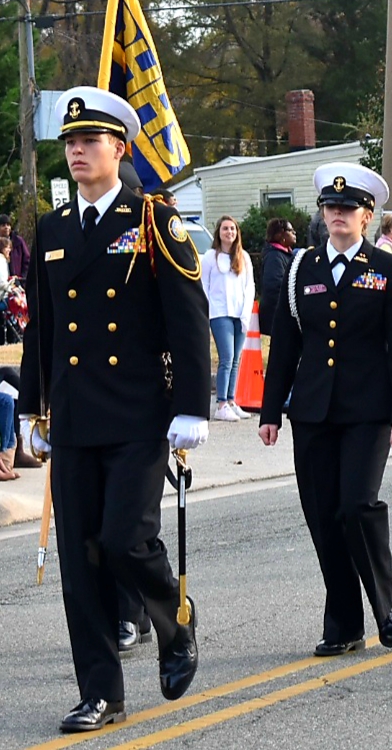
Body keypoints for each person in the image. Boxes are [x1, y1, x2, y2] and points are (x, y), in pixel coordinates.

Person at [19, 86, 210, 731]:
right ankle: (101, 691)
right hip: (74, 417)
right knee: (82, 562)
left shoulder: (153, 219)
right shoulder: (51, 228)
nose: (76, 151)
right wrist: (32, 410)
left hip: (137, 413)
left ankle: (173, 618)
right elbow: (42, 330)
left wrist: (193, 406)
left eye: (90, 141)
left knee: (127, 542)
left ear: (119, 149)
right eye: (70, 142)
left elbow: (187, 320)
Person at [259, 162, 392, 658]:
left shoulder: (388, 268)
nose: (337, 215)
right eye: (330, 207)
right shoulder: (301, 268)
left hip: (368, 410)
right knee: (322, 516)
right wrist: (270, 411)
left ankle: (384, 607)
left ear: (367, 216)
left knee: (356, 506)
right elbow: (286, 345)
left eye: (348, 208)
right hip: (312, 410)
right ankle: (344, 621)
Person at [202, 216, 256, 421]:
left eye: (232, 229)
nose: (229, 232)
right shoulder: (210, 257)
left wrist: (246, 313)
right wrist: (207, 310)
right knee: (226, 358)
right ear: (219, 232)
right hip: (219, 313)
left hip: (239, 314)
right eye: (225, 229)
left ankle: (232, 400)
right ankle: (221, 403)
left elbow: (249, 287)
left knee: (236, 360)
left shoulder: (243, 257)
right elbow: (204, 286)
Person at [259, 218, 296, 337]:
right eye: (291, 230)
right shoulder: (274, 256)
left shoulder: (285, 254)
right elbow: (274, 285)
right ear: (280, 235)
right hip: (276, 315)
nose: (294, 233)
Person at [0, 214, 31, 280]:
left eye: (8, 225)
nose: (6, 227)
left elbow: (27, 261)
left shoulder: (18, 241)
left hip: (18, 282)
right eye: (3, 225)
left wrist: (23, 277)